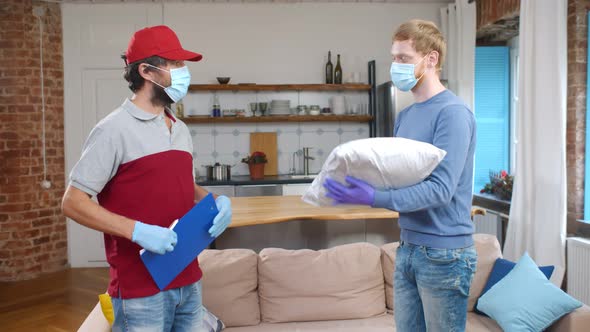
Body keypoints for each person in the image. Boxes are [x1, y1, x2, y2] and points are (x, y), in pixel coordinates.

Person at [61, 25, 232, 331]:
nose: (184, 72)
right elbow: (73, 202)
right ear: (147, 71)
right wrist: (137, 230)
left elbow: (181, 185)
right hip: (139, 289)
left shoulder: (179, 128)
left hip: (188, 278)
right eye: (176, 64)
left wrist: (215, 202)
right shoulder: (112, 130)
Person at [323, 19, 477, 332]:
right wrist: (364, 178)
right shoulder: (406, 115)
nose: (396, 66)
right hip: (407, 247)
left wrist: (373, 197)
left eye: (404, 58)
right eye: (394, 58)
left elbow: (440, 190)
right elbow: (400, 176)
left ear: (430, 59)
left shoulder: (453, 114)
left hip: (445, 254)